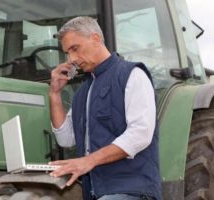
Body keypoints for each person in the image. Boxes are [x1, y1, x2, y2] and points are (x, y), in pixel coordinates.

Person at [48, 16, 162, 200]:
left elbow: (141, 133)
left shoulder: (133, 75)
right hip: (96, 193)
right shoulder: (82, 92)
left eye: (75, 49)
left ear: (95, 39)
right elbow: (66, 139)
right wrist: (54, 94)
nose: (72, 59)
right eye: (67, 53)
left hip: (132, 190)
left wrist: (88, 161)